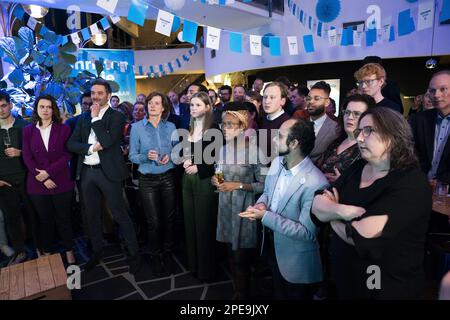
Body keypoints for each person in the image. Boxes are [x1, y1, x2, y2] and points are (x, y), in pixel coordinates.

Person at [311, 107, 432, 299]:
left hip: (386, 288)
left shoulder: (412, 183)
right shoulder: (357, 167)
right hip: (348, 282)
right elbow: (316, 204)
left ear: (392, 135)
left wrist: (332, 218)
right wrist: (343, 211)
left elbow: (363, 236)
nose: (359, 138)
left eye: (368, 131)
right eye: (359, 132)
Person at [240, 119, 328, 300]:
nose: (274, 140)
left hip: (296, 261)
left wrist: (265, 216)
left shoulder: (316, 183)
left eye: (280, 136)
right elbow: (266, 192)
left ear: (294, 143)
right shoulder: (277, 162)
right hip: (272, 248)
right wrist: (261, 204)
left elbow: (307, 233)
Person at [67, 78, 141, 273]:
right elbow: (71, 144)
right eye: (93, 94)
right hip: (87, 173)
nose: (96, 97)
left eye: (100, 93)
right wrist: (91, 148)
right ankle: (97, 251)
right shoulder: (82, 117)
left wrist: (96, 118)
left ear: (108, 95)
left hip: (108, 173)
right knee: (91, 215)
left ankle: (134, 254)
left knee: (120, 214)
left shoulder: (117, 116)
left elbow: (107, 141)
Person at [212, 109, 266, 299]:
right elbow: (218, 172)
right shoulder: (223, 149)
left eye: (230, 125)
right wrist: (216, 180)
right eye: (223, 124)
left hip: (245, 209)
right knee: (230, 254)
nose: (225, 129)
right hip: (225, 207)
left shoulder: (255, 151)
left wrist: (239, 185)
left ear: (242, 127)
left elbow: (265, 185)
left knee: (241, 258)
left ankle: (243, 295)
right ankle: (238, 289)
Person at [22, 95, 76, 264]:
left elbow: (67, 154)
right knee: (45, 219)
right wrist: (43, 178)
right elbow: (27, 156)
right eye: (41, 107)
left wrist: (48, 173)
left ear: (54, 109)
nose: (45, 110)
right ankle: (47, 250)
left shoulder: (64, 129)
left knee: (63, 218)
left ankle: (69, 250)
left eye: (49, 107)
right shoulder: (28, 130)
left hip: (61, 180)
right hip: (37, 184)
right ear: (36, 109)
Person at [129, 92, 178, 275]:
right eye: (150, 103)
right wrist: (145, 157)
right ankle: (156, 255)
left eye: (157, 103)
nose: (152, 106)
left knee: (170, 219)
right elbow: (133, 155)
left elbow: (177, 153)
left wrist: (170, 157)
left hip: (167, 178)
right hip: (147, 180)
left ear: (163, 107)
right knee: (154, 221)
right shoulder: (136, 128)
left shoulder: (171, 126)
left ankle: (168, 254)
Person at [181, 92, 219, 281]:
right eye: (191, 105)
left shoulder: (215, 129)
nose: (193, 108)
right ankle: (193, 266)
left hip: (205, 180)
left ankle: (207, 270)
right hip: (187, 180)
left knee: (204, 225)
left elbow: (219, 159)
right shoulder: (188, 128)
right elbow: (184, 152)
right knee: (190, 223)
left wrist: (199, 167)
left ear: (207, 107)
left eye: (198, 105)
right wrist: (185, 160)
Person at [0, 91, 36, 264]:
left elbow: (36, 152)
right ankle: (20, 251)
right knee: (12, 218)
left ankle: (39, 247)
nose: (0, 110)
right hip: (4, 182)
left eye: (3, 105)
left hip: (26, 177)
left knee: (33, 214)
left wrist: (20, 152)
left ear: (10, 105)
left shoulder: (24, 126)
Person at [319, 94, 376, 183]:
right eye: (347, 112)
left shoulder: (369, 149)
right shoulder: (335, 142)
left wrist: (343, 182)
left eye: (356, 114)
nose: (349, 117)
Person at [411, 70, 450, 184]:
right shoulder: (419, 120)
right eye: (432, 90)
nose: (436, 95)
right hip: (420, 186)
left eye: (443, 89)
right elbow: (411, 155)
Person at [306, 81, 341, 164]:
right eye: (309, 98)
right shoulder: (300, 124)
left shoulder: (335, 129)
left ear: (327, 102)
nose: (311, 101)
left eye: (317, 98)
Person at [259, 82, 291, 160]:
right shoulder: (264, 118)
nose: (267, 101)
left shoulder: (287, 124)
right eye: (265, 97)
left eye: (272, 97)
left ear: (282, 101)